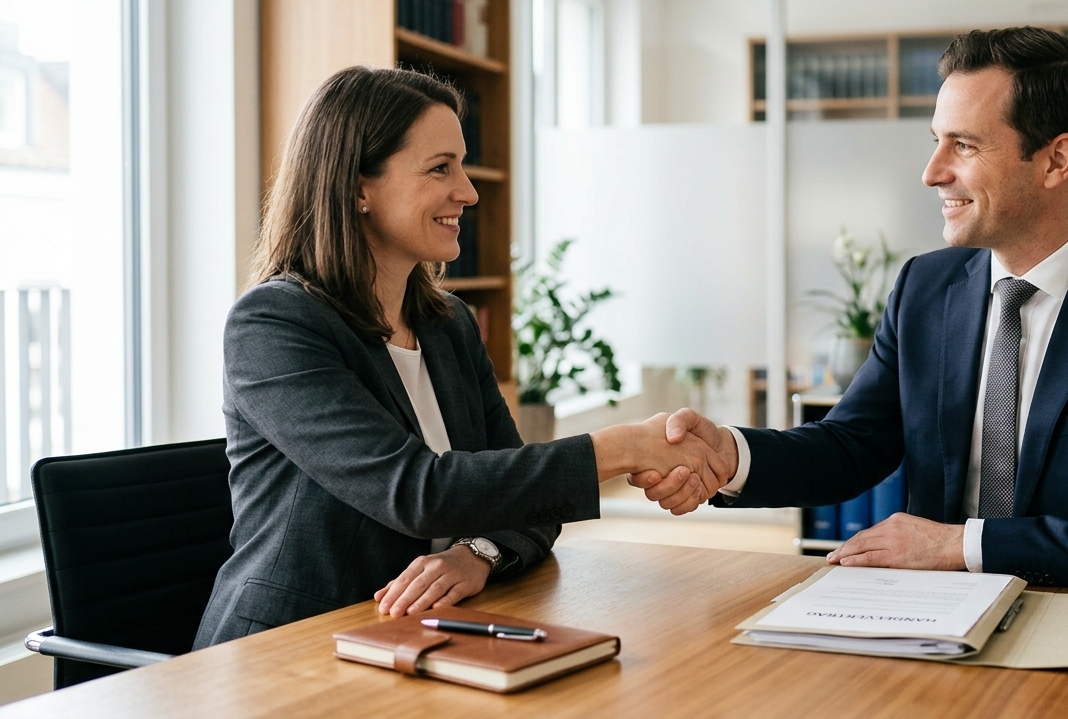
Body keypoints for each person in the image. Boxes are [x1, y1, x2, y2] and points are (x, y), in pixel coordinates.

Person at [638, 27, 1068, 591]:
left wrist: (960, 546)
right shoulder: (924, 287)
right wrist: (732, 456)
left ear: (1057, 160)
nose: (932, 173)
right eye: (937, 142)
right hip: (933, 622)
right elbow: (852, 443)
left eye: (965, 145)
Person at [194, 66, 724, 648]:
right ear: (358, 188)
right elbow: (413, 490)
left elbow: (525, 495)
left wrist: (478, 554)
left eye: (463, 166)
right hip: (290, 647)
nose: (469, 192)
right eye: (440, 168)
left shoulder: (448, 325)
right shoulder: (274, 325)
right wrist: (620, 448)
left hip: (419, 635)